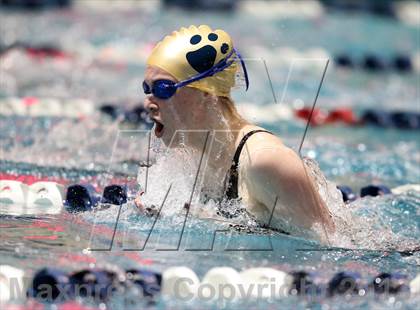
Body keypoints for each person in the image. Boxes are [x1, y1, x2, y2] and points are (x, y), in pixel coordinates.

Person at [136, 25, 335, 241]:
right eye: (147, 89)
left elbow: (330, 247)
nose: (148, 103)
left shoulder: (265, 161)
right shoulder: (187, 152)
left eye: (163, 88)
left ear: (206, 92)